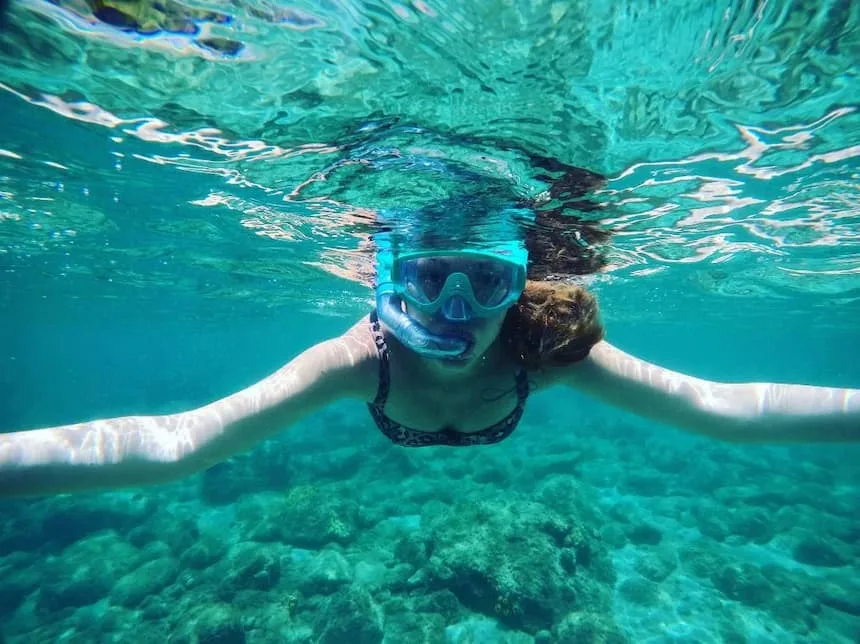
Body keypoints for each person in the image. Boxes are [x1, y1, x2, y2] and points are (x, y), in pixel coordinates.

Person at [1, 197, 858, 499]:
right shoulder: (355, 358)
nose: (459, 308)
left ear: (522, 285)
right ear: (387, 281)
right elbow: (177, 444)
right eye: (429, 278)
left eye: (486, 282)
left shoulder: (540, 348)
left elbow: (722, 408)